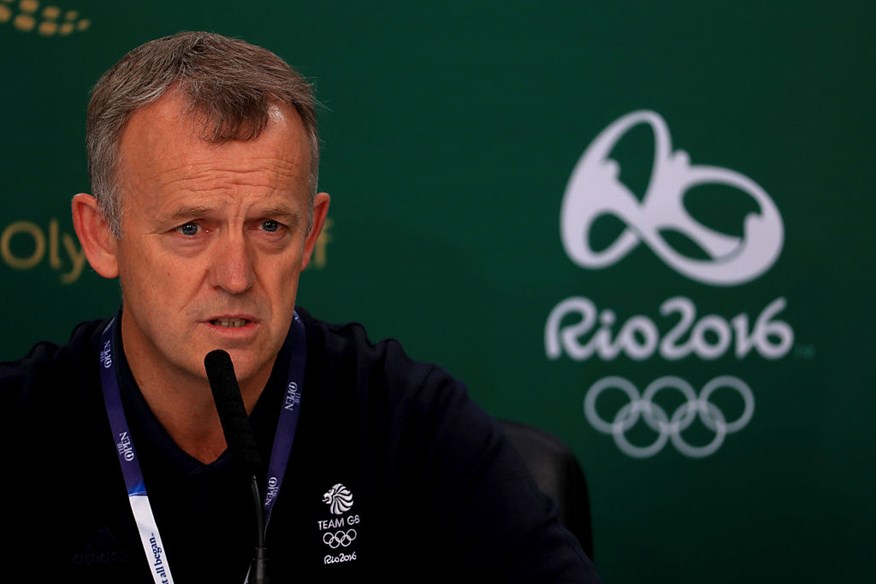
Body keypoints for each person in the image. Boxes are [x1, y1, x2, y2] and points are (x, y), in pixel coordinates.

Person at [0, 31, 602, 583]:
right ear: (102, 234)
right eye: (190, 228)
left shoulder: (408, 421)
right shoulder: (18, 429)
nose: (235, 276)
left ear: (310, 233)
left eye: (269, 226)